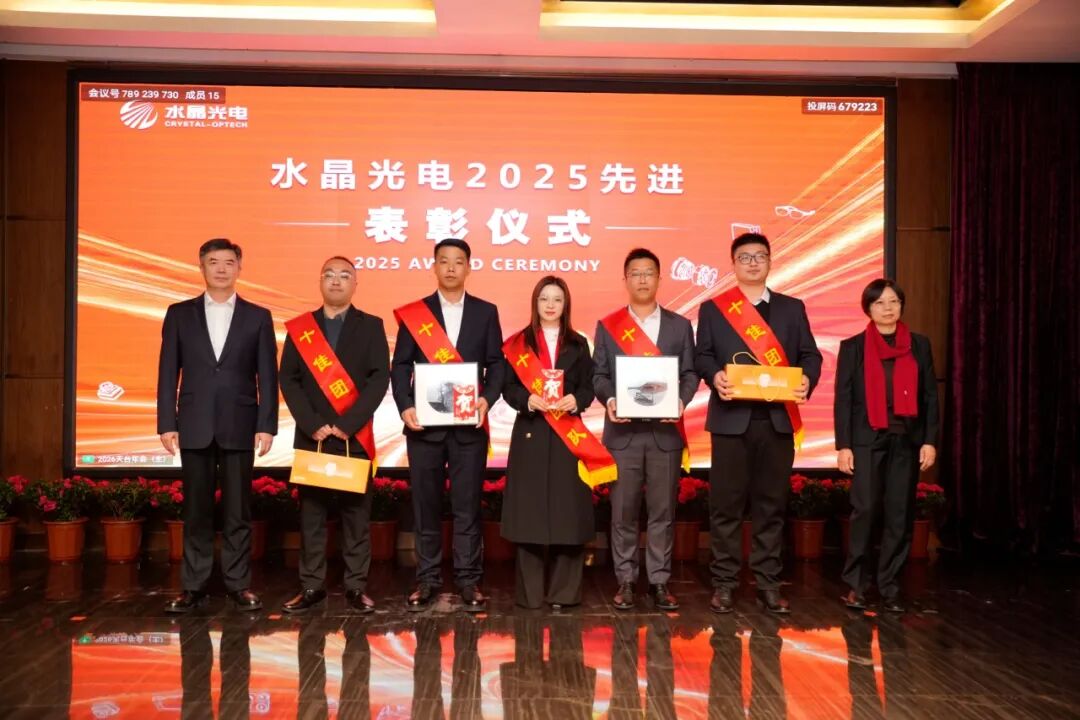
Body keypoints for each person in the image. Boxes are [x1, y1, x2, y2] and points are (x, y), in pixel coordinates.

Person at [695, 232, 822, 615]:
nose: (753, 263)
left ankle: (768, 583)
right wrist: (714, 376)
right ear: (733, 264)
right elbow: (702, 356)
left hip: (777, 422)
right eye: (745, 257)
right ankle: (725, 583)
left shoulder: (791, 308)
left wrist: (806, 380)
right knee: (726, 506)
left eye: (760, 256)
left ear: (769, 262)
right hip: (731, 422)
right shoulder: (714, 309)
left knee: (771, 505)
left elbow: (810, 356)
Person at [157, 238, 277, 613]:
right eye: (213, 262)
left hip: (241, 422)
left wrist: (267, 424)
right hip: (193, 423)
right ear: (201, 267)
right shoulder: (179, 314)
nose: (221, 269)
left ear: (239, 268)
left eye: (228, 262)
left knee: (238, 511)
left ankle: (238, 585)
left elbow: (267, 375)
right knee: (197, 510)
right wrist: (167, 422)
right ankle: (193, 586)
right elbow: (167, 372)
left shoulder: (258, 316)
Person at [390, 238, 505, 612]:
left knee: (467, 506)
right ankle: (427, 580)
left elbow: (497, 364)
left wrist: (487, 398)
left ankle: (469, 581)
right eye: (444, 261)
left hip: (468, 427)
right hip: (424, 427)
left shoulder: (485, 312)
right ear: (434, 267)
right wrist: (405, 406)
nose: (451, 267)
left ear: (469, 267)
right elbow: (400, 365)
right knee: (425, 506)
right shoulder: (416, 314)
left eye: (458, 261)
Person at [279, 256, 390, 615]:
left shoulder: (371, 326)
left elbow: (379, 378)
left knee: (356, 517)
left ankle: (356, 587)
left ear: (355, 284)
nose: (337, 281)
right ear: (320, 281)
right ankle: (311, 586)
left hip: (352, 437)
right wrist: (311, 423)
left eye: (345, 275)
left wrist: (350, 422)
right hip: (313, 436)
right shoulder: (302, 328)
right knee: (312, 516)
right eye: (329, 275)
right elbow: (288, 378)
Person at [593, 248, 699, 612]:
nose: (642, 279)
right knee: (622, 511)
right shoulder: (608, 326)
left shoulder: (679, 326)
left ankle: (659, 581)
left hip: (664, 434)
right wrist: (610, 399)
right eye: (635, 273)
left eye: (648, 273)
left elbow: (690, 373)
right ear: (625, 280)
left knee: (662, 512)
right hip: (622, 434)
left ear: (659, 278)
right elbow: (599, 375)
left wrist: (681, 400)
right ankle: (625, 580)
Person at [500, 276, 607, 610]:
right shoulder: (518, 343)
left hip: (567, 434)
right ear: (535, 302)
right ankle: (530, 595)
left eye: (557, 299)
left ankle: (564, 593)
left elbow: (589, 386)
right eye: (544, 298)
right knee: (529, 513)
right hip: (531, 431)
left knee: (567, 512)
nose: (550, 305)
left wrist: (576, 399)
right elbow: (506, 387)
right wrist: (526, 400)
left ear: (565, 305)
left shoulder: (579, 344)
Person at [835, 279, 938, 613]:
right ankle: (856, 585)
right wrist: (844, 445)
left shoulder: (919, 345)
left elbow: (930, 396)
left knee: (899, 513)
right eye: (879, 303)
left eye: (893, 301)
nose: (888, 308)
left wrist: (929, 440)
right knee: (865, 510)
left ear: (902, 305)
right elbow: (844, 399)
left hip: (906, 440)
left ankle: (890, 586)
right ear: (868, 308)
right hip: (867, 440)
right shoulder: (853, 347)